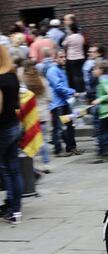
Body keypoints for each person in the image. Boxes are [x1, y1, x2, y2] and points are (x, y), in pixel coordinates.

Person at [0, 45, 24, 224]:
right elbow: (16, 104)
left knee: (5, 169)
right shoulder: (12, 76)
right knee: (14, 169)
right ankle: (16, 209)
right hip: (15, 125)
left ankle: (12, 208)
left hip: (3, 129)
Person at [44, 50, 80, 156]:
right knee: (58, 128)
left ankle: (71, 147)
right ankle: (58, 150)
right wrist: (72, 92)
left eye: (65, 57)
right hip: (57, 104)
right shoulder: (52, 70)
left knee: (70, 125)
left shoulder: (61, 69)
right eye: (61, 57)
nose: (64, 59)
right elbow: (59, 87)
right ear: (55, 58)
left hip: (64, 102)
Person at [22, 60, 51, 173]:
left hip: (31, 116)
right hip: (43, 113)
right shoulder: (43, 81)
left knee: (30, 140)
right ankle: (46, 163)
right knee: (43, 140)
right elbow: (49, 98)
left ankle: (31, 165)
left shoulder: (24, 84)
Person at [91, 59, 108, 157]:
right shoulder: (106, 78)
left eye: (95, 69)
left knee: (103, 131)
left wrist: (99, 100)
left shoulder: (103, 79)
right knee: (107, 130)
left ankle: (107, 150)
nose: (93, 71)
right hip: (106, 110)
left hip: (105, 111)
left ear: (101, 70)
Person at [62, 23, 85, 92]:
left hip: (72, 58)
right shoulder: (81, 36)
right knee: (80, 74)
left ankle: (77, 90)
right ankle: (82, 89)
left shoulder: (70, 37)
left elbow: (63, 44)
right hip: (81, 57)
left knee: (75, 75)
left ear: (71, 29)